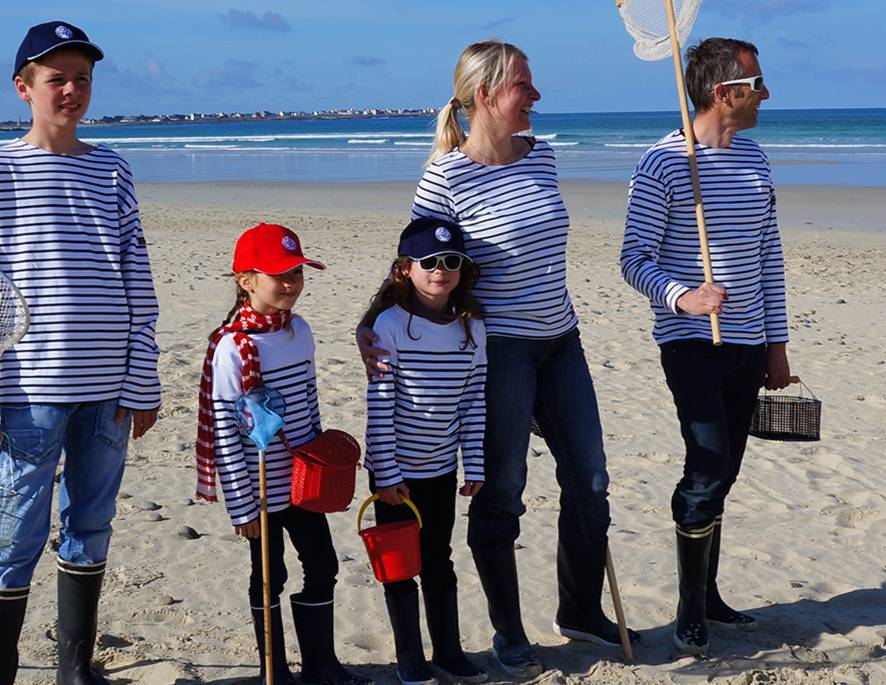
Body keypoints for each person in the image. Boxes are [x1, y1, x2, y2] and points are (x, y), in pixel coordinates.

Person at [356, 40, 637, 677]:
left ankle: (580, 611)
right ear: (486, 95)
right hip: (499, 351)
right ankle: (510, 632)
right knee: (502, 493)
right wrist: (369, 325)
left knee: (590, 481)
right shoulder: (446, 175)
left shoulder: (544, 156)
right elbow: (416, 263)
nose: (536, 96)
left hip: (562, 340)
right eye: (524, 87)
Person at [0, 20, 160, 685]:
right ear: (24, 88)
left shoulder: (112, 169)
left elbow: (138, 280)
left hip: (109, 390)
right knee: (13, 536)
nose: (71, 90)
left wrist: (143, 381)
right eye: (56, 79)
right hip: (31, 388)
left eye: (82, 79)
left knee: (90, 524)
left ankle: (76, 666)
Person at [618, 37, 794, 655]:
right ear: (726, 93)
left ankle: (711, 595)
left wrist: (778, 343)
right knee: (708, 464)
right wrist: (683, 297)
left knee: (728, 471)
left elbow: (769, 256)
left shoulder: (755, 159)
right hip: (690, 339)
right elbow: (632, 260)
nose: (765, 93)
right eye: (757, 83)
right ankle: (688, 607)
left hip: (747, 340)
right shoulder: (664, 163)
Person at [194, 224, 368, 685]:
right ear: (247, 280)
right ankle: (274, 669)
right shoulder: (234, 347)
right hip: (260, 486)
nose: (291, 284)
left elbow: (310, 406)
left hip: (302, 480)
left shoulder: (299, 331)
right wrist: (242, 505)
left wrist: (324, 463)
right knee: (268, 574)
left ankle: (321, 665)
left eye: (296, 272)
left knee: (323, 565)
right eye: (279, 275)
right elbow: (230, 432)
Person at [363, 217, 492, 685]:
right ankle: (410, 659)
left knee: (440, 562)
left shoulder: (473, 327)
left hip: (441, 471)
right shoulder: (390, 324)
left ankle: (449, 652)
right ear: (405, 269)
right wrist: (387, 473)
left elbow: (474, 400)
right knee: (400, 568)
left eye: (453, 261)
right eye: (430, 262)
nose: (442, 270)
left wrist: (473, 463)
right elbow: (379, 406)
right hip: (395, 475)